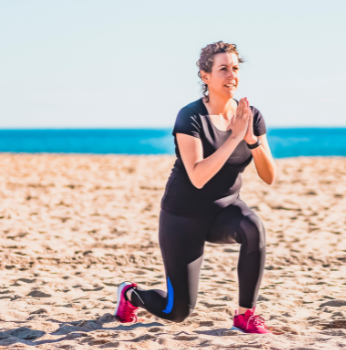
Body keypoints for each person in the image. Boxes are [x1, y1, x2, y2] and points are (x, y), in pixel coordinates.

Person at [113, 41, 277, 334]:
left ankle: (245, 315)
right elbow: (198, 176)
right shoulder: (190, 117)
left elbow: (268, 176)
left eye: (236, 68)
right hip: (183, 217)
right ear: (205, 76)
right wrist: (233, 137)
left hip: (225, 209)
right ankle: (130, 294)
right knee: (176, 312)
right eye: (223, 69)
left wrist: (250, 139)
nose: (232, 75)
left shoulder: (250, 115)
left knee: (254, 227)